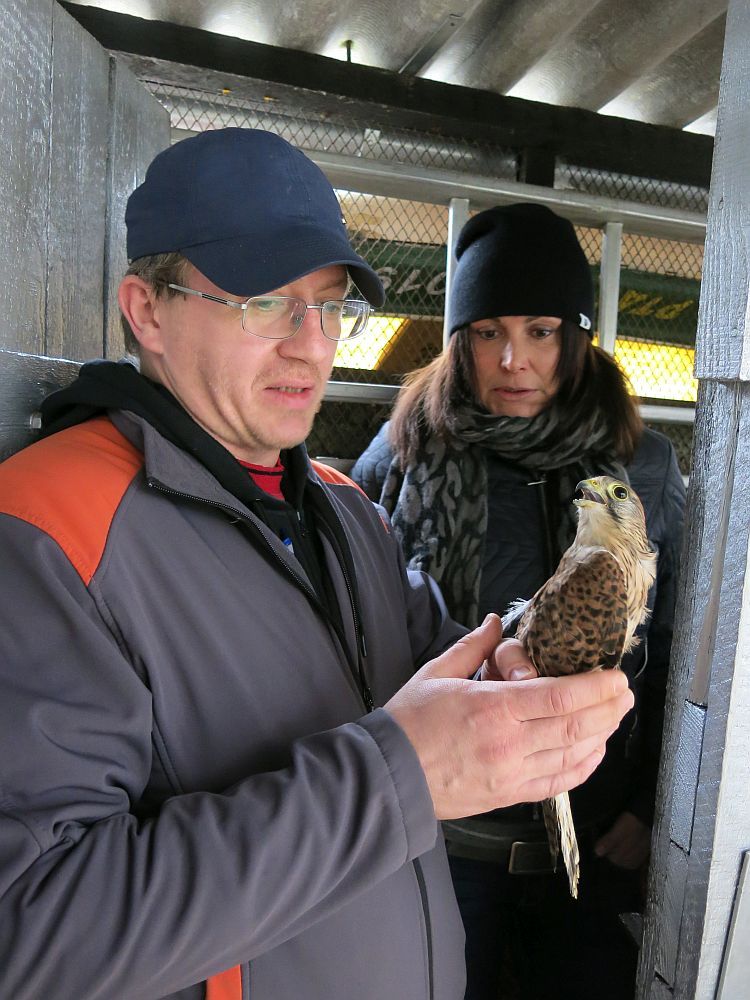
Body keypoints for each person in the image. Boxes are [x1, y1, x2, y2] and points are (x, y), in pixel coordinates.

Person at [0, 134, 633, 1000]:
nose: (311, 346)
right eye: (267, 303)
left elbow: (434, 660)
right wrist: (403, 774)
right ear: (147, 312)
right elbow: (33, 932)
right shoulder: (47, 528)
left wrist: (510, 678)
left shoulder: (344, 507)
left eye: (331, 307)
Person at [352, 202, 686, 1000]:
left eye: (540, 331)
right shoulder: (401, 454)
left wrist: (650, 808)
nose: (513, 360)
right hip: (438, 843)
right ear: (458, 340)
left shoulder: (641, 467)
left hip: (592, 841)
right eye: (486, 332)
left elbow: (678, 648)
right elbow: (351, 632)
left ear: (576, 337)